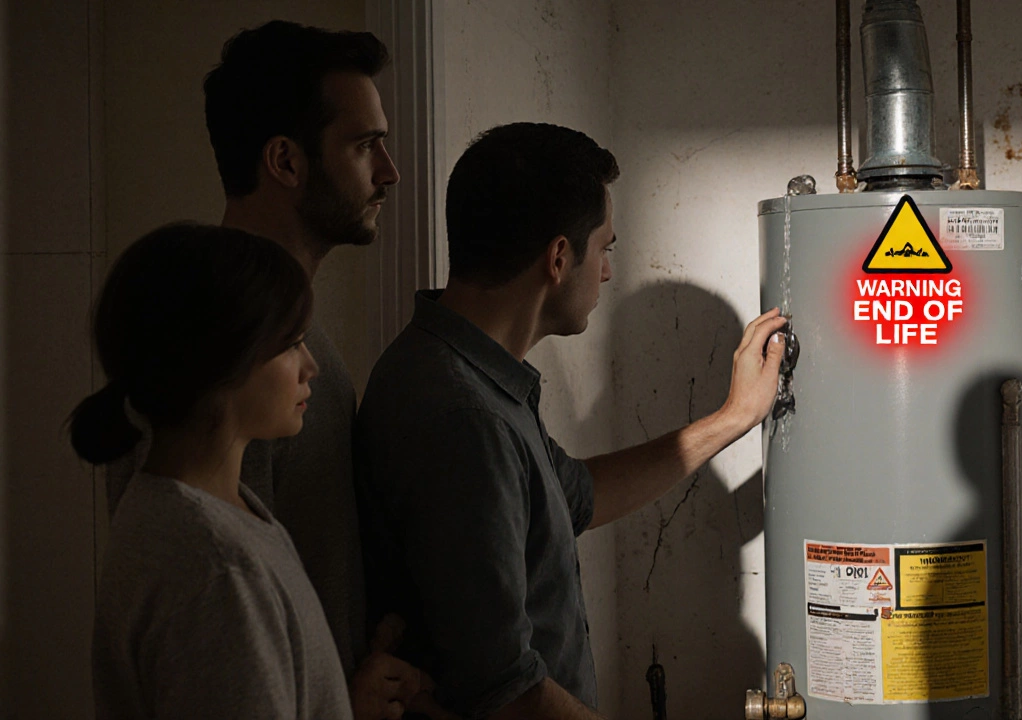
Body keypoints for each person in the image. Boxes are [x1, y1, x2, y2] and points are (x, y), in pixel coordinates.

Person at [355, 122, 788, 718]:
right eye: (605, 248)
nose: (607, 271)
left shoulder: (471, 376)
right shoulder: (462, 417)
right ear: (559, 257)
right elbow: (506, 691)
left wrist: (734, 417)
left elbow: (577, 495)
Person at [104, 21, 419, 713]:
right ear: (285, 160)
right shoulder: (210, 355)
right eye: (365, 145)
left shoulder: (307, 352)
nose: (390, 171)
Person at [75, 223, 349, 718]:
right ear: (225, 360)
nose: (311, 366)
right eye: (292, 343)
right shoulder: (219, 573)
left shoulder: (193, 508)